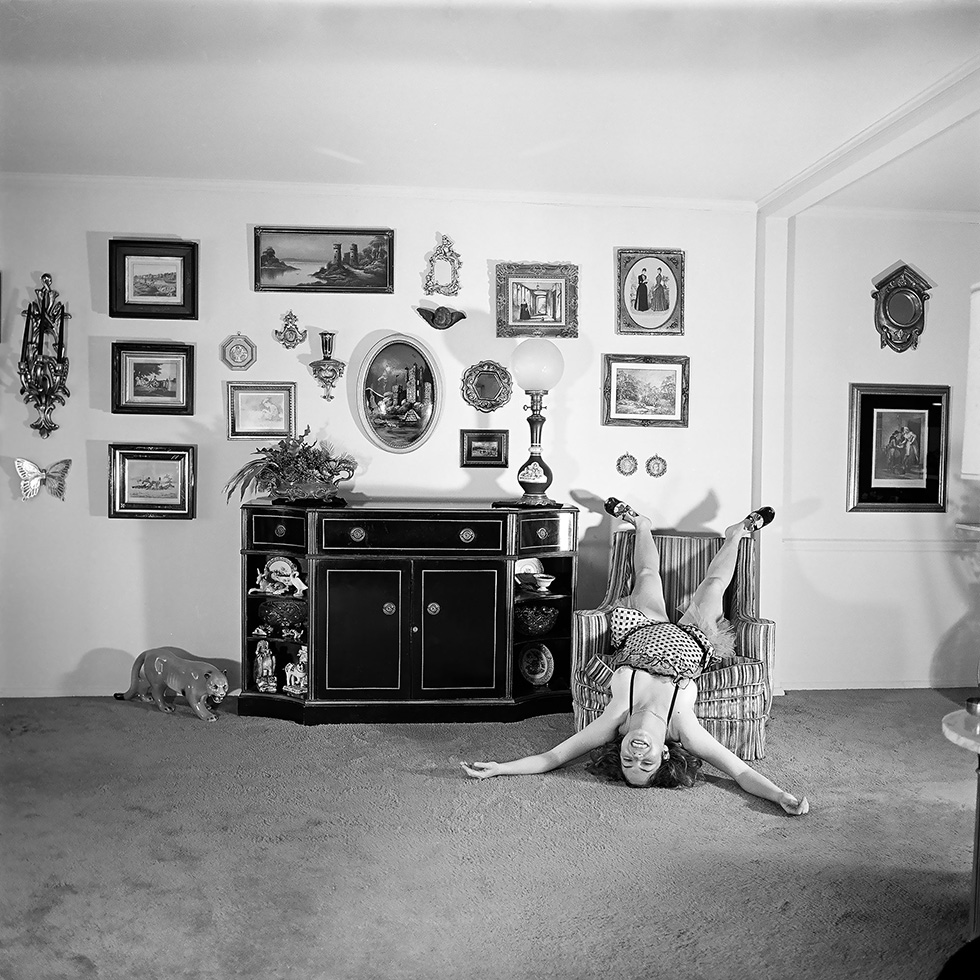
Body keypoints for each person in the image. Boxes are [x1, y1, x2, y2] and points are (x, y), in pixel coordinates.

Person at [461, 499, 809, 816]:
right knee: (714, 585)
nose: (637, 755)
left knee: (646, 575)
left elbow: (553, 757)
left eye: (628, 760)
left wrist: (500, 768)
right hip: (693, 639)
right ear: (664, 754)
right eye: (646, 764)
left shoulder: (614, 720)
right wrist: (780, 795)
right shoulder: (684, 730)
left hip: (642, 631)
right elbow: (742, 772)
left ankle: (641, 525)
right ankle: (737, 533)